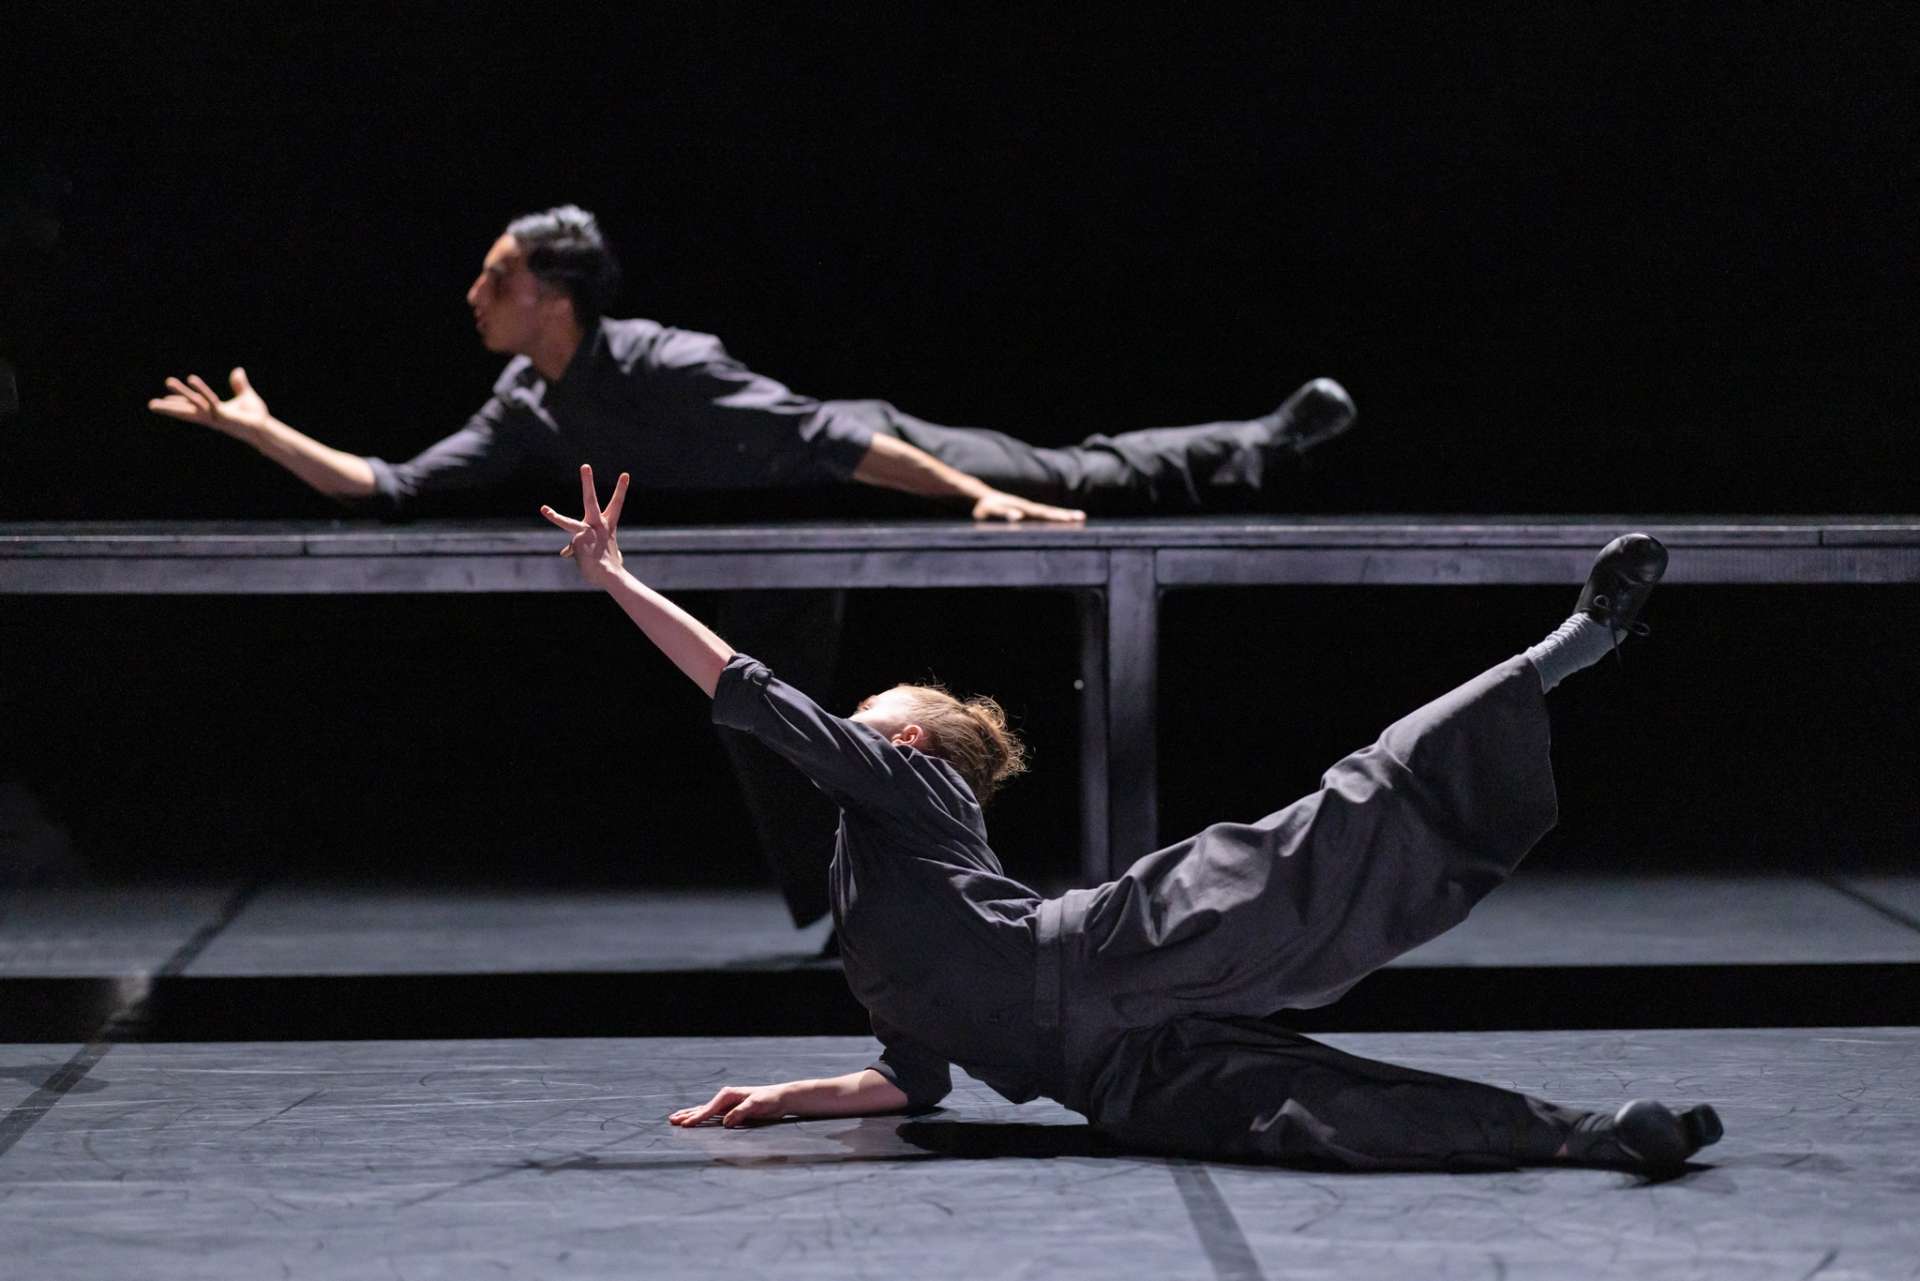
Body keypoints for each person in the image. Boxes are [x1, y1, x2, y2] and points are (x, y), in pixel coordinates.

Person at [143, 205, 1360, 932]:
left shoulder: (667, 360)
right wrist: (263, 433)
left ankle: (1257, 444)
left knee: (1075, 473)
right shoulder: (529, 398)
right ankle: (850, 912)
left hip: (885, 468)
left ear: (554, 295)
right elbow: (392, 488)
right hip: (778, 553)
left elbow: (832, 440)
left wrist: (976, 492)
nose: (476, 293)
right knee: (754, 723)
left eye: (496, 276)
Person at [543, 462, 1723, 1172]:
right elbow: (915, 1084)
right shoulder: (869, 915)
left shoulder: (910, 790)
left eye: (864, 714)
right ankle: (1601, 1134)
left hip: (1128, 937)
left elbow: (749, 690)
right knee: (1336, 1120)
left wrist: (617, 579)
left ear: (898, 744)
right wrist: (786, 1098)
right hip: (1116, 1077)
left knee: (1346, 817)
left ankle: (1570, 650)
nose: (845, 724)